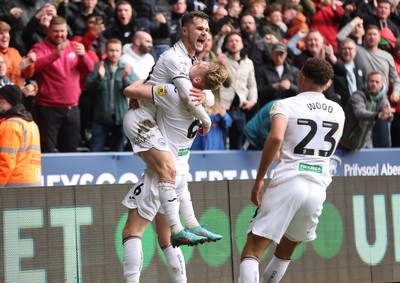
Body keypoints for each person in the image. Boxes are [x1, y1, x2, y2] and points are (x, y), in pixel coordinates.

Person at [238, 57, 345, 283]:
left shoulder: (285, 105)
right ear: (327, 84)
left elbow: (276, 136)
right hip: (317, 188)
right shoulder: (338, 110)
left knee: (252, 250)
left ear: (302, 77)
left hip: (289, 181)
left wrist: (259, 180)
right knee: (285, 252)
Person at [122, 60, 228, 283]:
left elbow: (131, 89)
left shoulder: (172, 92)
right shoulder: (201, 100)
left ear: (198, 79)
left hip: (162, 175)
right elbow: (207, 97)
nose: (198, 60)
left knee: (132, 232)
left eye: (204, 64)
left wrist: (142, 88)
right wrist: (207, 98)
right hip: (180, 171)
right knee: (166, 239)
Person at [123, 11, 219, 246]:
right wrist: (206, 120)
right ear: (184, 31)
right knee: (169, 171)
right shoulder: (175, 59)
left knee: (177, 177)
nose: (204, 33)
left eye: (206, 30)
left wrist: (206, 97)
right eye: (199, 28)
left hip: (156, 120)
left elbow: (199, 94)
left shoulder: (192, 64)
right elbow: (186, 95)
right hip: (142, 119)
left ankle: (190, 226)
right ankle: (179, 229)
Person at [31, 16, 94, 153]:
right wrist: (55, 54)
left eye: (62, 31)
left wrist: (84, 55)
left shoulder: (74, 46)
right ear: (49, 31)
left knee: (70, 148)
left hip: (72, 107)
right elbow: (34, 67)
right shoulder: (40, 47)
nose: (59, 34)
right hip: (48, 108)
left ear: (67, 31)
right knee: (46, 148)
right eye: (56, 31)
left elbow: (90, 69)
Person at [86, 38, 134, 152]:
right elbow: (90, 90)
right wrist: (99, 77)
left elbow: (133, 91)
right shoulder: (98, 66)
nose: (114, 53)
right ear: (106, 51)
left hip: (121, 119)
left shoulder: (126, 68)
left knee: (119, 152)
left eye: (117, 50)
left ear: (121, 52)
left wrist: (125, 78)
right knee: (95, 150)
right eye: (111, 50)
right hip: (100, 118)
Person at [219, 31, 258, 149]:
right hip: (223, 107)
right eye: (231, 41)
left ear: (242, 44)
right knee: (221, 143)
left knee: (237, 145)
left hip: (240, 109)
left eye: (237, 41)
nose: (234, 43)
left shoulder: (249, 63)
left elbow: (252, 85)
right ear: (226, 45)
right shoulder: (222, 59)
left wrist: (252, 100)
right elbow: (215, 48)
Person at [340, 71, 394, 151]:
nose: (374, 84)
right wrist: (377, 115)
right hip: (343, 143)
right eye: (371, 81)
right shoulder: (357, 95)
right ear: (366, 82)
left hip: (364, 144)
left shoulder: (383, 99)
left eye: (377, 82)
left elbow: (388, 117)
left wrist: (389, 115)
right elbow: (360, 113)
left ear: (382, 84)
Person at [0, 85, 41, 187]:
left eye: (1, 98)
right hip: (33, 182)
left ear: (10, 100)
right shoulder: (31, 124)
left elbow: (6, 161)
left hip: (13, 185)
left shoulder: (10, 125)